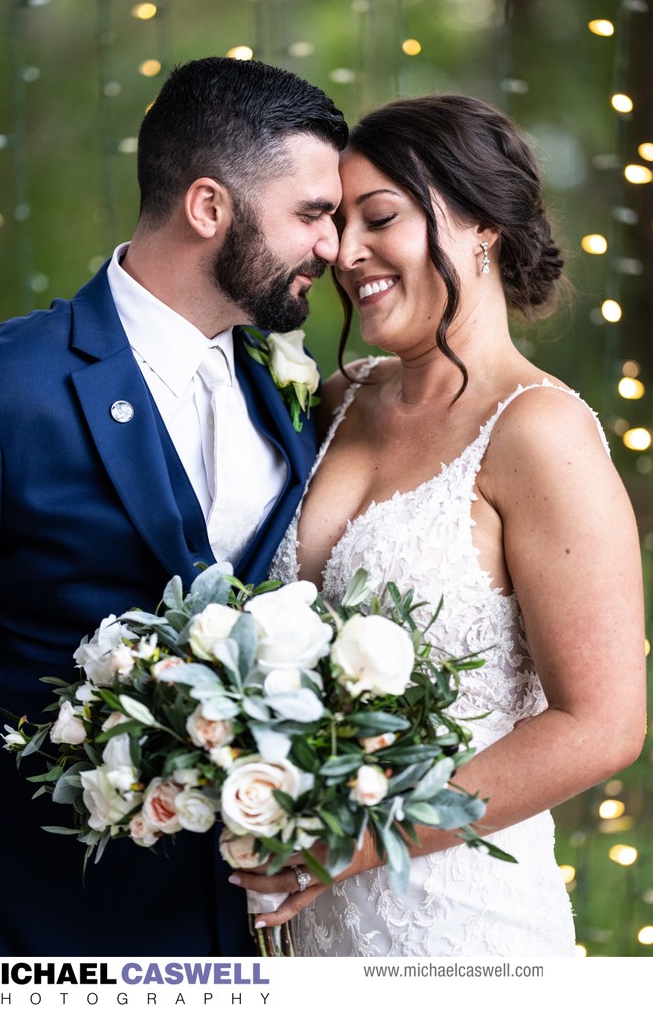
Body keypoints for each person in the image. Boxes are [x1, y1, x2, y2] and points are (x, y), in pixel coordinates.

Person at [231, 93, 647, 956]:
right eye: (338, 223)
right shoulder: (340, 401)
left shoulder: (540, 432)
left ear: (480, 225)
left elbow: (600, 725)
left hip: (455, 927)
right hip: (305, 929)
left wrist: (352, 836)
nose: (344, 254)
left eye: (378, 218)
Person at [0, 56, 346, 955]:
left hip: (233, 937)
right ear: (209, 207)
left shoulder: (293, 396)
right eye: (311, 215)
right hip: (28, 933)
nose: (333, 248)